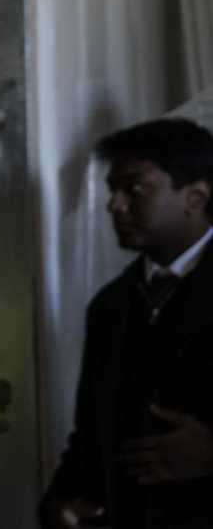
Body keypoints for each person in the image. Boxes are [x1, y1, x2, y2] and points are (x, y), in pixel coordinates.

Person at [41, 118, 213, 528]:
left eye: (135, 188)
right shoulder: (110, 306)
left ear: (195, 196)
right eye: (112, 189)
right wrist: (60, 506)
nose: (114, 205)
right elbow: (90, 435)